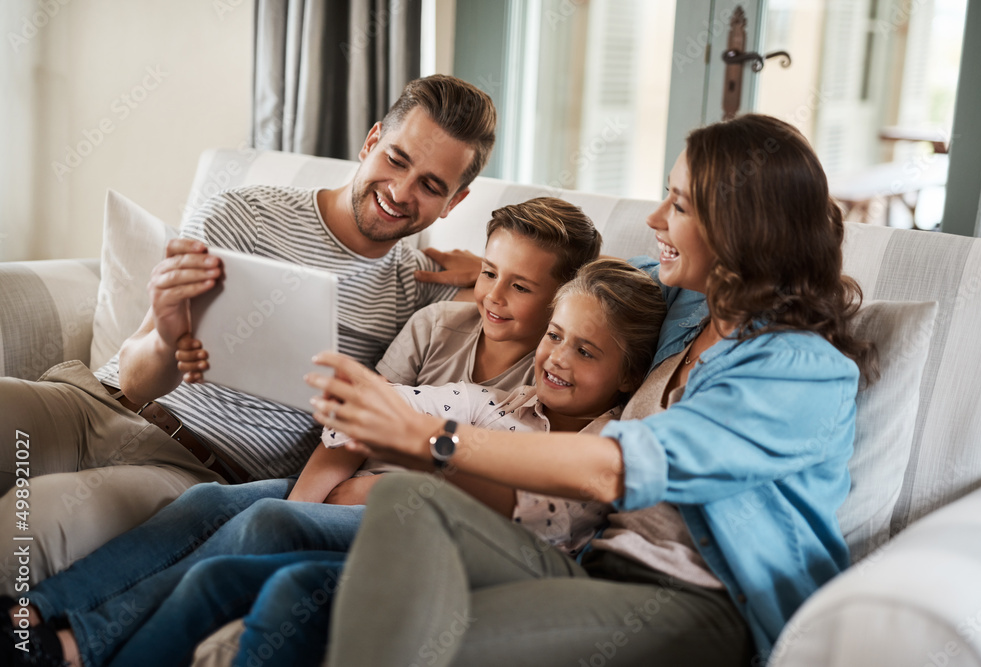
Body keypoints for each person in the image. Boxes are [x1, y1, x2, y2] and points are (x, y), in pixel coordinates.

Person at [306, 114, 879, 666]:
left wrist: (432, 438)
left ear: (740, 233)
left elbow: (615, 468)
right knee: (409, 502)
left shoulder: (801, 371)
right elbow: (580, 278)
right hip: (592, 565)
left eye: (677, 205)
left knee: (437, 644)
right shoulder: (685, 303)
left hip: (701, 603)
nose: (655, 219)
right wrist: (493, 270)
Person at [3, 259, 668, 667]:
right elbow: (376, 406)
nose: (557, 356)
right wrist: (357, 436)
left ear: (627, 372)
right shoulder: (499, 401)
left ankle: (79, 645)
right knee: (206, 502)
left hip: (449, 537)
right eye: (555, 335)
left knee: (262, 528)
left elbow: (516, 506)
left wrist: (407, 453)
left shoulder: (609, 447)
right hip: (384, 491)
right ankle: (33, 616)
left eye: (586, 351)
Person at [0, 74, 497, 594]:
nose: (400, 191)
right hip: (95, 404)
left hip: (192, 470)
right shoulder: (246, 213)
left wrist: (492, 269)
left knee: (24, 527)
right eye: (397, 160)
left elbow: (572, 297)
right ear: (371, 141)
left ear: (453, 203)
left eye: (431, 186)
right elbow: (137, 381)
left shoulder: (417, 291)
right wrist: (169, 337)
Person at [285, 196, 601, 505]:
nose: (493, 295)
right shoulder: (434, 324)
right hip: (335, 483)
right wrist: (300, 505)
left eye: (520, 287)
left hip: (406, 509)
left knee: (264, 523)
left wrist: (368, 492)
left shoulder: (552, 380)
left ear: (565, 298)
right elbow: (359, 421)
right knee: (245, 508)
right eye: (489, 272)